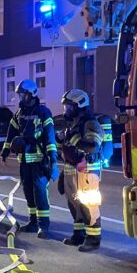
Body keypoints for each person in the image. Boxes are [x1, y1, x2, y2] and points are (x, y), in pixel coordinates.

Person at [1, 79, 59, 239]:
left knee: (39, 192)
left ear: (32, 95)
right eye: (20, 95)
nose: (21, 98)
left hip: (39, 160)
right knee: (28, 192)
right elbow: (10, 133)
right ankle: (33, 223)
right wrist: (5, 150)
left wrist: (52, 157)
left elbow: (49, 136)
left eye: (23, 95)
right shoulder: (19, 114)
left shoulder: (43, 112)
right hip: (24, 160)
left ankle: (44, 226)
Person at [58, 89, 104, 252]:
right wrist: (64, 173)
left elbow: (92, 147)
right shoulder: (74, 125)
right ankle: (79, 235)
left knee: (88, 206)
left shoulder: (90, 124)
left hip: (87, 174)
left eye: (69, 107)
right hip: (73, 173)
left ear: (79, 105)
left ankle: (93, 239)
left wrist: (74, 139)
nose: (66, 111)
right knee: (74, 205)